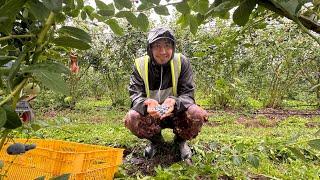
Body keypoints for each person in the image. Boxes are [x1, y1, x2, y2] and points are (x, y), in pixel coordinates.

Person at [124, 27, 208, 160]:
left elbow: (188, 93)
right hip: (152, 113)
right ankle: (156, 142)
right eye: (157, 46)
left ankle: (180, 142)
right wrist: (146, 103)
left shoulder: (181, 62)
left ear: (173, 47)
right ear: (150, 49)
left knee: (197, 114)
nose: (163, 52)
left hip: (176, 112)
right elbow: (135, 94)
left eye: (167, 46)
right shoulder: (140, 65)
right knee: (132, 117)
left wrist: (174, 102)